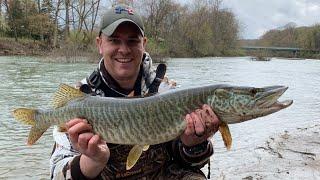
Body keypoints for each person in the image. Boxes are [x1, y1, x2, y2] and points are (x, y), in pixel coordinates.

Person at [50, 3, 220, 180]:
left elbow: (193, 164)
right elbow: (56, 173)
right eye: (114, 40)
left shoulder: (167, 91)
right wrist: (92, 161)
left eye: (133, 40)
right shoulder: (79, 97)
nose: (124, 49)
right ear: (100, 44)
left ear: (143, 44)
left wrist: (193, 145)